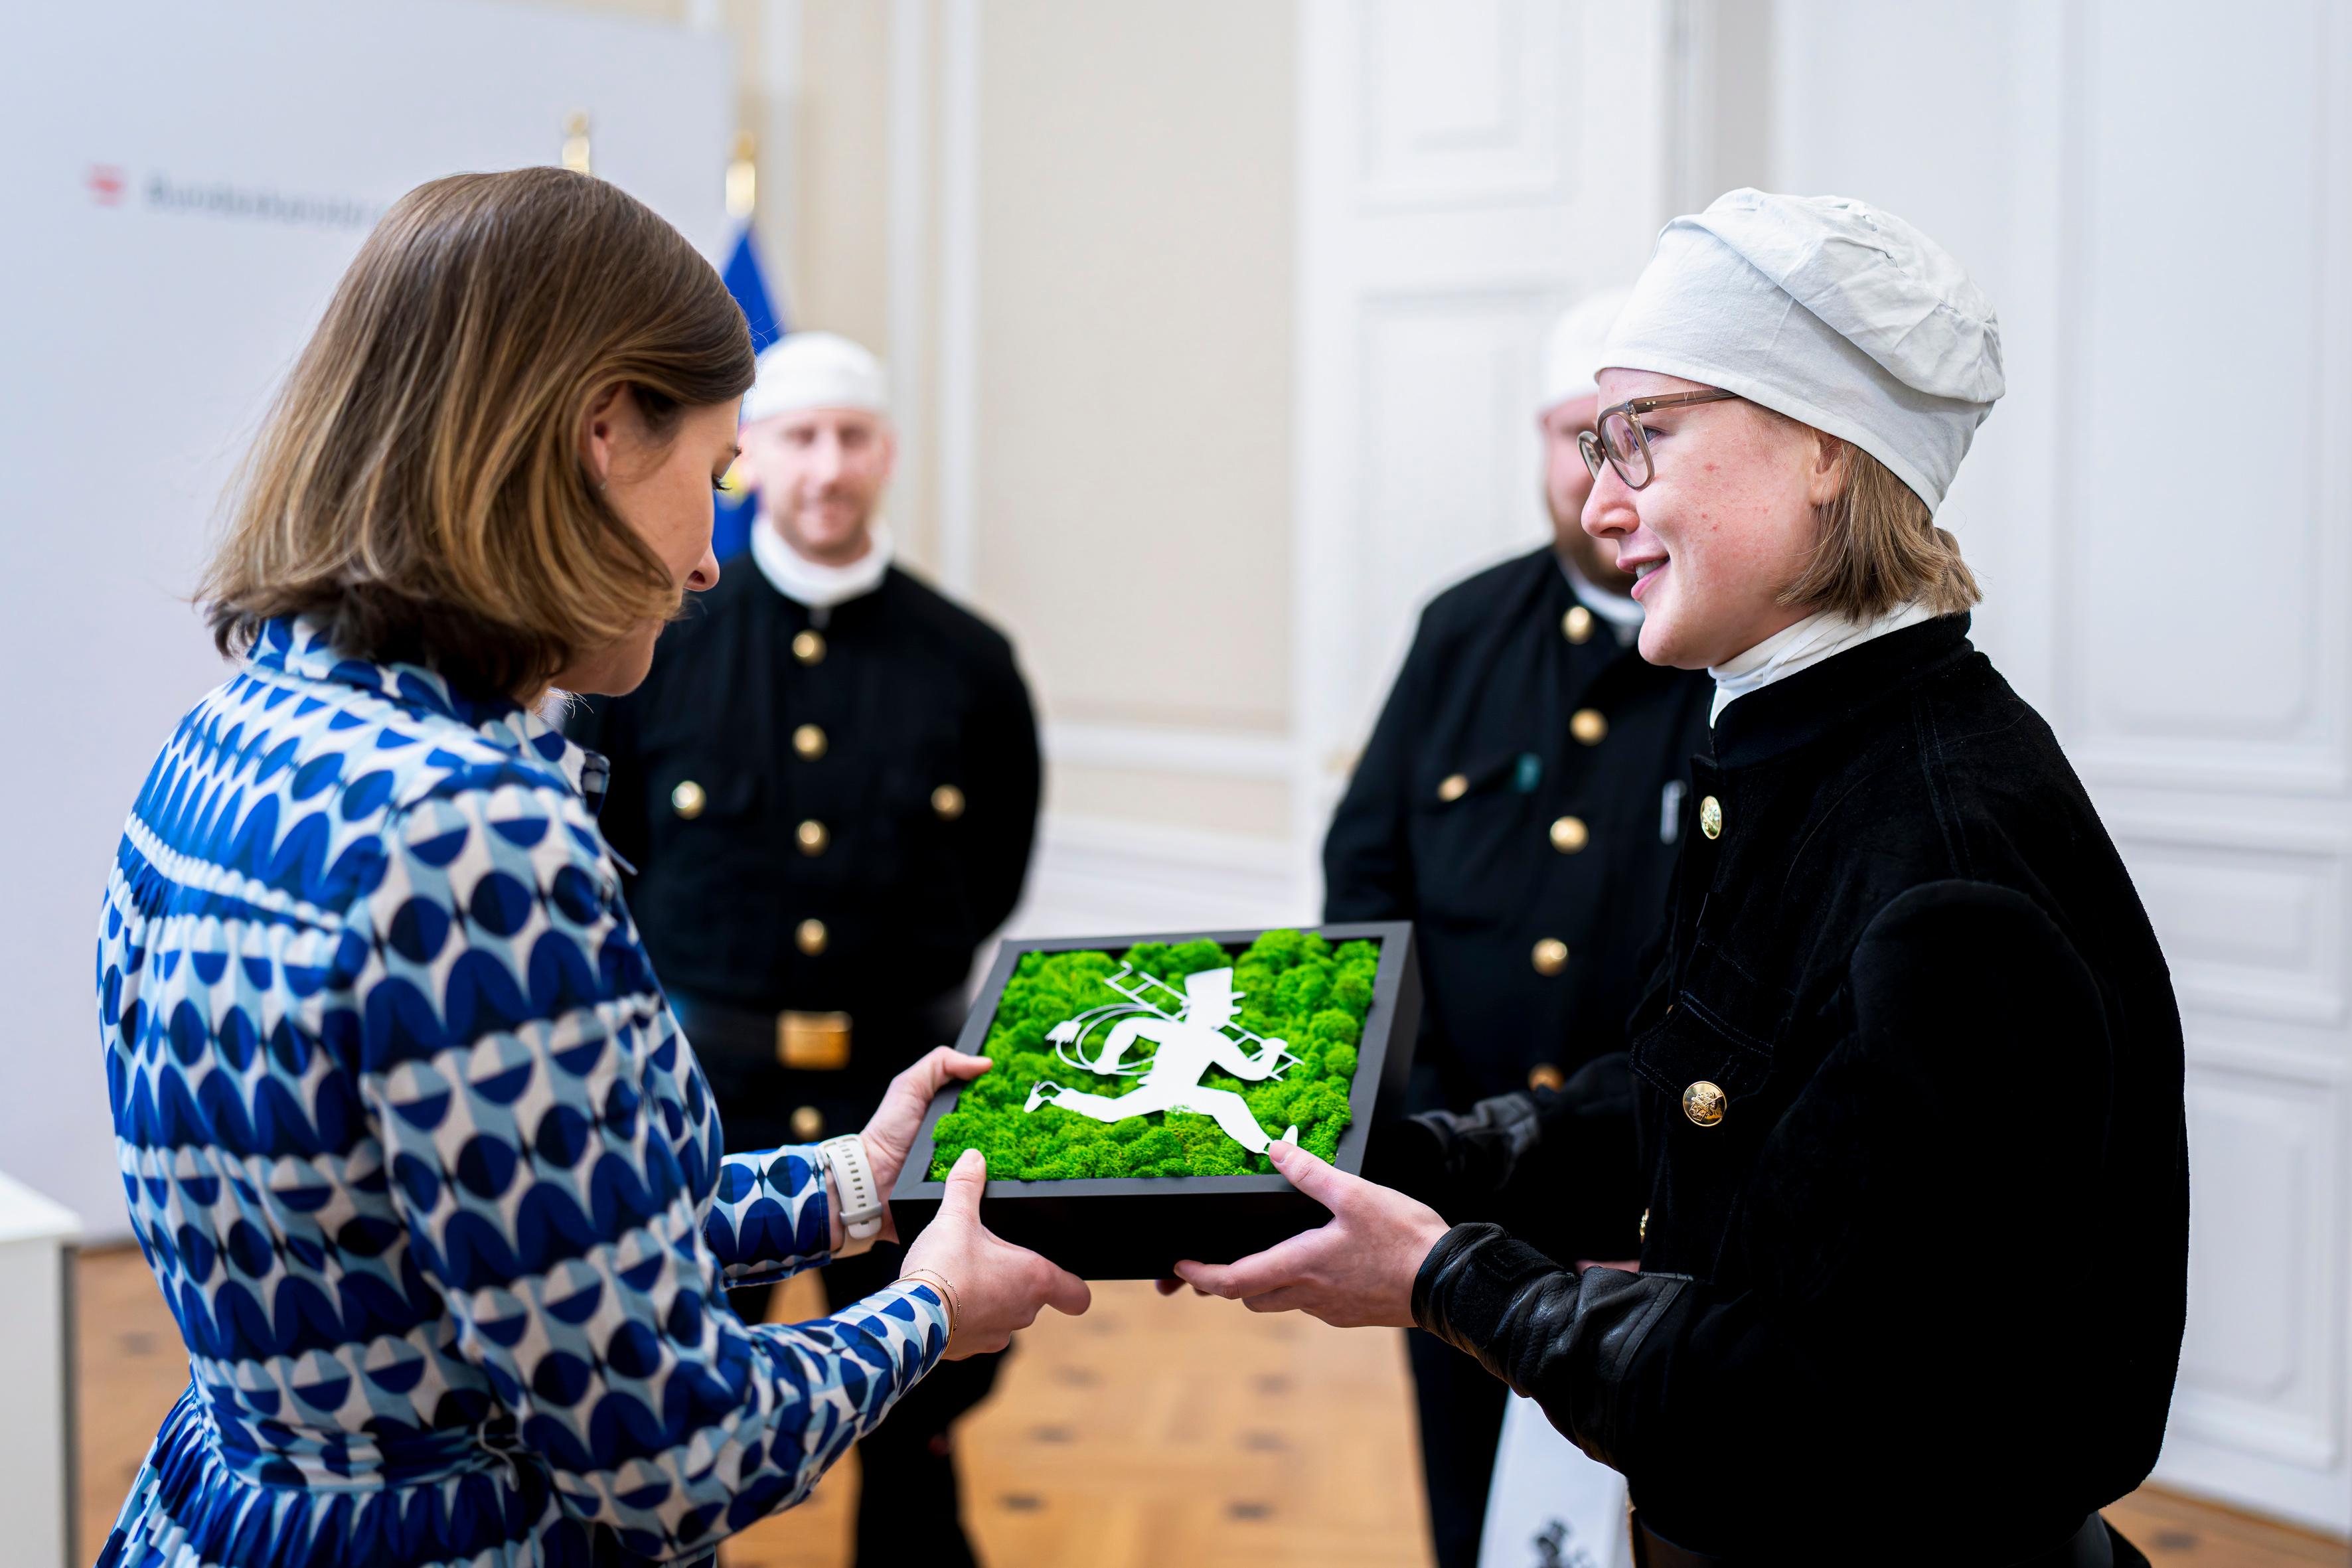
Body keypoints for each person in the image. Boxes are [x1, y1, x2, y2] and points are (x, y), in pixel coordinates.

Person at [1174, 190, 2185, 1567]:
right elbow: (1715, 1115)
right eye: (1596, 444)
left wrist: (1436, 1273)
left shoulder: (1945, 868)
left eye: (1644, 437)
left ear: (1823, 450)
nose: (1599, 501)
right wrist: (1415, 1155)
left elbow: (1798, 1389)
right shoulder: (1805, 741)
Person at [94, 167, 1087, 1567]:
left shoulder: (237, 731)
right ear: (604, 432)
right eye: (718, 474)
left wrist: (853, 1188)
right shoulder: (468, 830)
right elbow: (672, 1459)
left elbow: (516, 1225)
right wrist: (920, 1308)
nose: (705, 558)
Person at [563, 327, 1038, 1567]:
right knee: (676, 1396)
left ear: (885, 454)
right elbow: (605, 857)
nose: (827, 466)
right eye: (797, 436)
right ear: (750, 455)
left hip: (905, 1068)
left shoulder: (970, 661)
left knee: (921, 1415)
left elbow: (992, 863)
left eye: (852, 436)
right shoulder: (652, 646)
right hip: (708, 1093)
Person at [1322, 287, 1713, 1568]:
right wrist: (1412, 1125)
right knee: (1465, 1492)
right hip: (1457, 1170)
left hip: (1667, 1203)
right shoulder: (1462, 629)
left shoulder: (1734, 650)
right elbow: (1366, 876)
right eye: (1573, 433)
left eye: (1633, 431)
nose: (1602, 469)